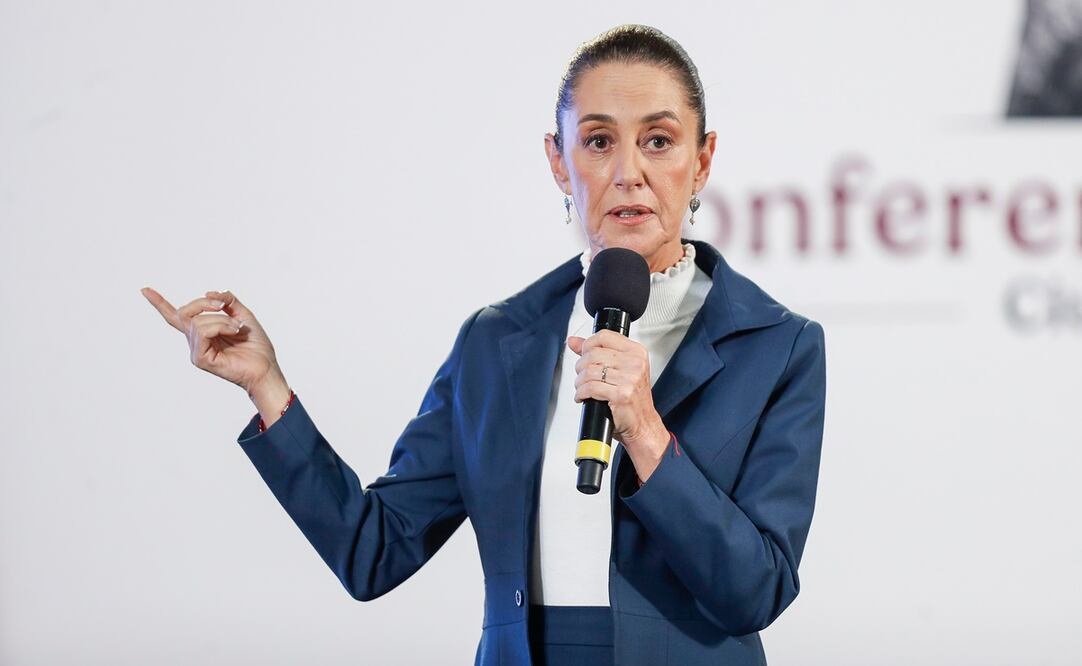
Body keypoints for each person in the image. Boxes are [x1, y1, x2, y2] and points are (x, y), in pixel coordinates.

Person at [141, 24, 826, 666]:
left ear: (702, 160)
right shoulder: (498, 341)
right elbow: (373, 550)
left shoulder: (776, 346)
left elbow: (755, 592)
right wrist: (267, 387)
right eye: (596, 141)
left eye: (658, 141)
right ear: (558, 161)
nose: (628, 172)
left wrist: (644, 429)